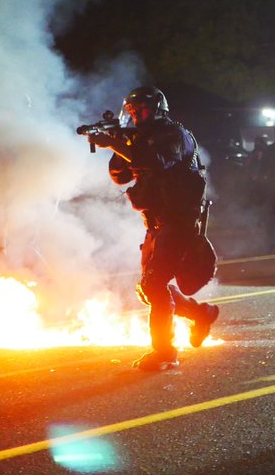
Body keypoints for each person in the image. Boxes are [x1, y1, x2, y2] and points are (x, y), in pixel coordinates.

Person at [91, 85, 219, 371]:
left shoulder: (175, 135)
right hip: (156, 224)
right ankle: (201, 314)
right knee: (149, 287)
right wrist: (119, 140)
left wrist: (116, 143)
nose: (137, 116)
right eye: (133, 111)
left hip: (179, 223)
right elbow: (119, 175)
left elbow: (155, 162)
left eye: (142, 110)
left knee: (153, 283)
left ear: (158, 109)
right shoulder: (140, 138)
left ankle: (165, 353)